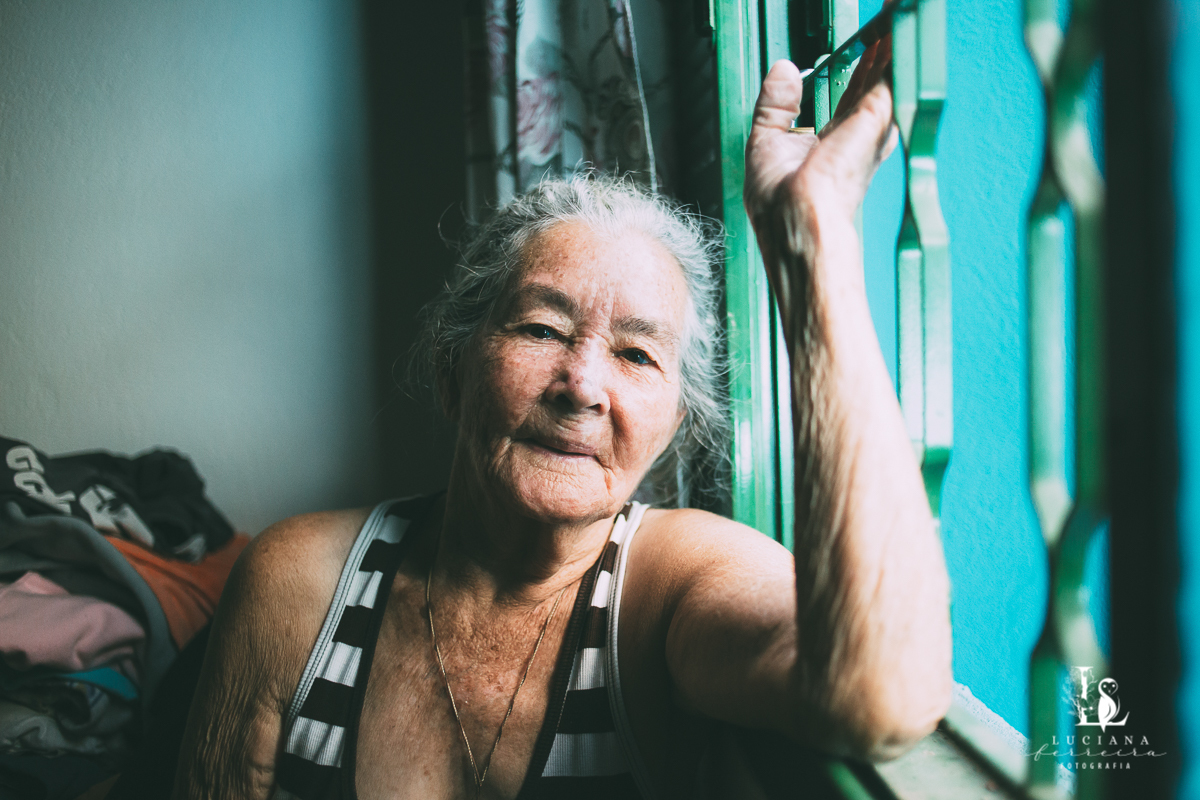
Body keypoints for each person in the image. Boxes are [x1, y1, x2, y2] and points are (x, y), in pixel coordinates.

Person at [171, 43, 951, 800]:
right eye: (541, 330)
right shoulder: (295, 582)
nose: (582, 386)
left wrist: (811, 241)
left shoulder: (666, 588)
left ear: (674, 425)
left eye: (637, 356)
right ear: (454, 371)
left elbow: (879, 695)